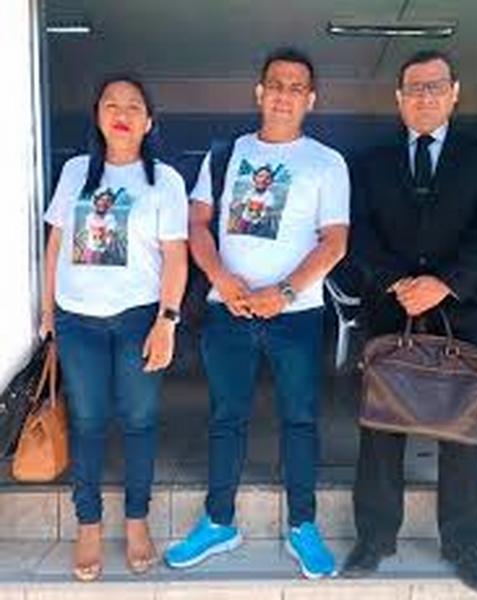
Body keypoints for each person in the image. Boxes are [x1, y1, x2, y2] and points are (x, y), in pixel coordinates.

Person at [164, 47, 350, 579]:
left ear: (311, 99)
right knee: (226, 417)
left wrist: (284, 293)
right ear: (259, 93)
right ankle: (218, 521)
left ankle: (303, 525)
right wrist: (221, 278)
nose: (285, 95)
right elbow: (197, 224)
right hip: (229, 311)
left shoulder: (327, 162)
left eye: (297, 87)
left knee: (300, 419)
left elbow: (335, 242)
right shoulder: (227, 154)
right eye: (276, 84)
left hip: (297, 315)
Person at [342, 50, 477, 595]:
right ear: (398, 99)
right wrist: (399, 282)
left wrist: (445, 283)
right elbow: (358, 231)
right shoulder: (371, 161)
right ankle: (374, 539)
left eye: (435, 86)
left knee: (462, 432)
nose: (424, 96)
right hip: (389, 311)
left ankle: (464, 546)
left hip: (461, 313)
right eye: (414, 88)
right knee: (380, 427)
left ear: (455, 93)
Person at [41, 75, 188, 581]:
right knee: (86, 422)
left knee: (139, 420)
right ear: (97, 115)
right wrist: (47, 313)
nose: (121, 113)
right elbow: (55, 246)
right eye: (111, 104)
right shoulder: (75, 171)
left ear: (149, 122)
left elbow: (176, 257)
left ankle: (137, 520)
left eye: (133, 106)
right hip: (76, 319)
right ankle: (88, 524)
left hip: (138, 318)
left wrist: (167, 320)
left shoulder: (164, 181)